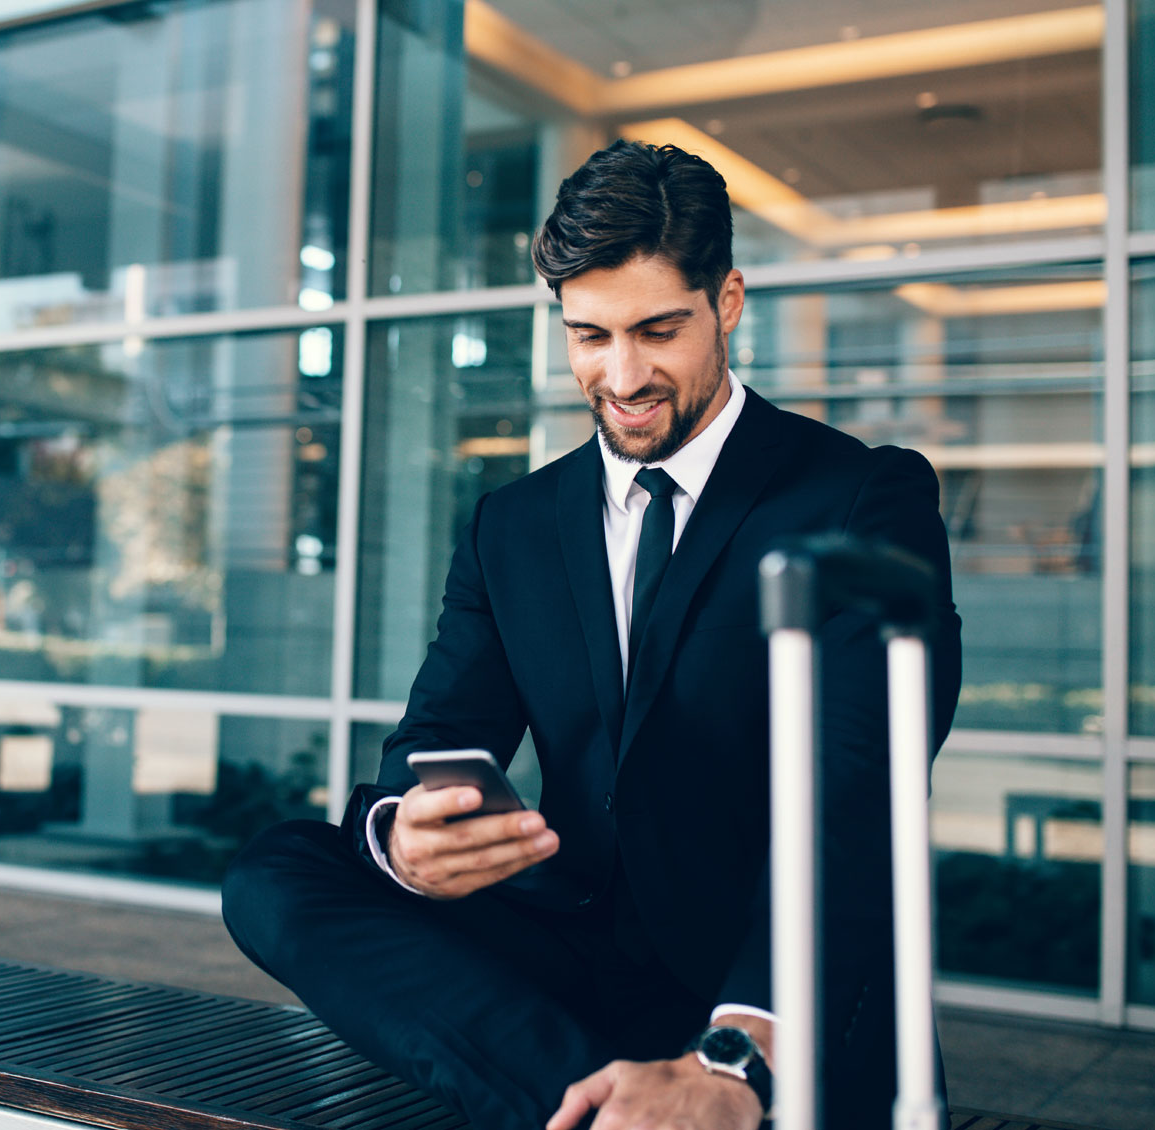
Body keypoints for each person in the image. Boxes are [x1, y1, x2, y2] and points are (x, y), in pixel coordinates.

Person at [221, 140, 962, 1130]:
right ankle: (613, 1106)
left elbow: (852, 799)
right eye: (588, 335)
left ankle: (691, 1091)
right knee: (278, 871)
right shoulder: (512, 524)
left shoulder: (862, 495)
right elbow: (435, 738)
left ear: (726, 301)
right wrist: (406, 837)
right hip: (565, 961)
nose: (620, 374)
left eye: (656, 329)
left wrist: (737, 1053)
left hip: (749, 971)